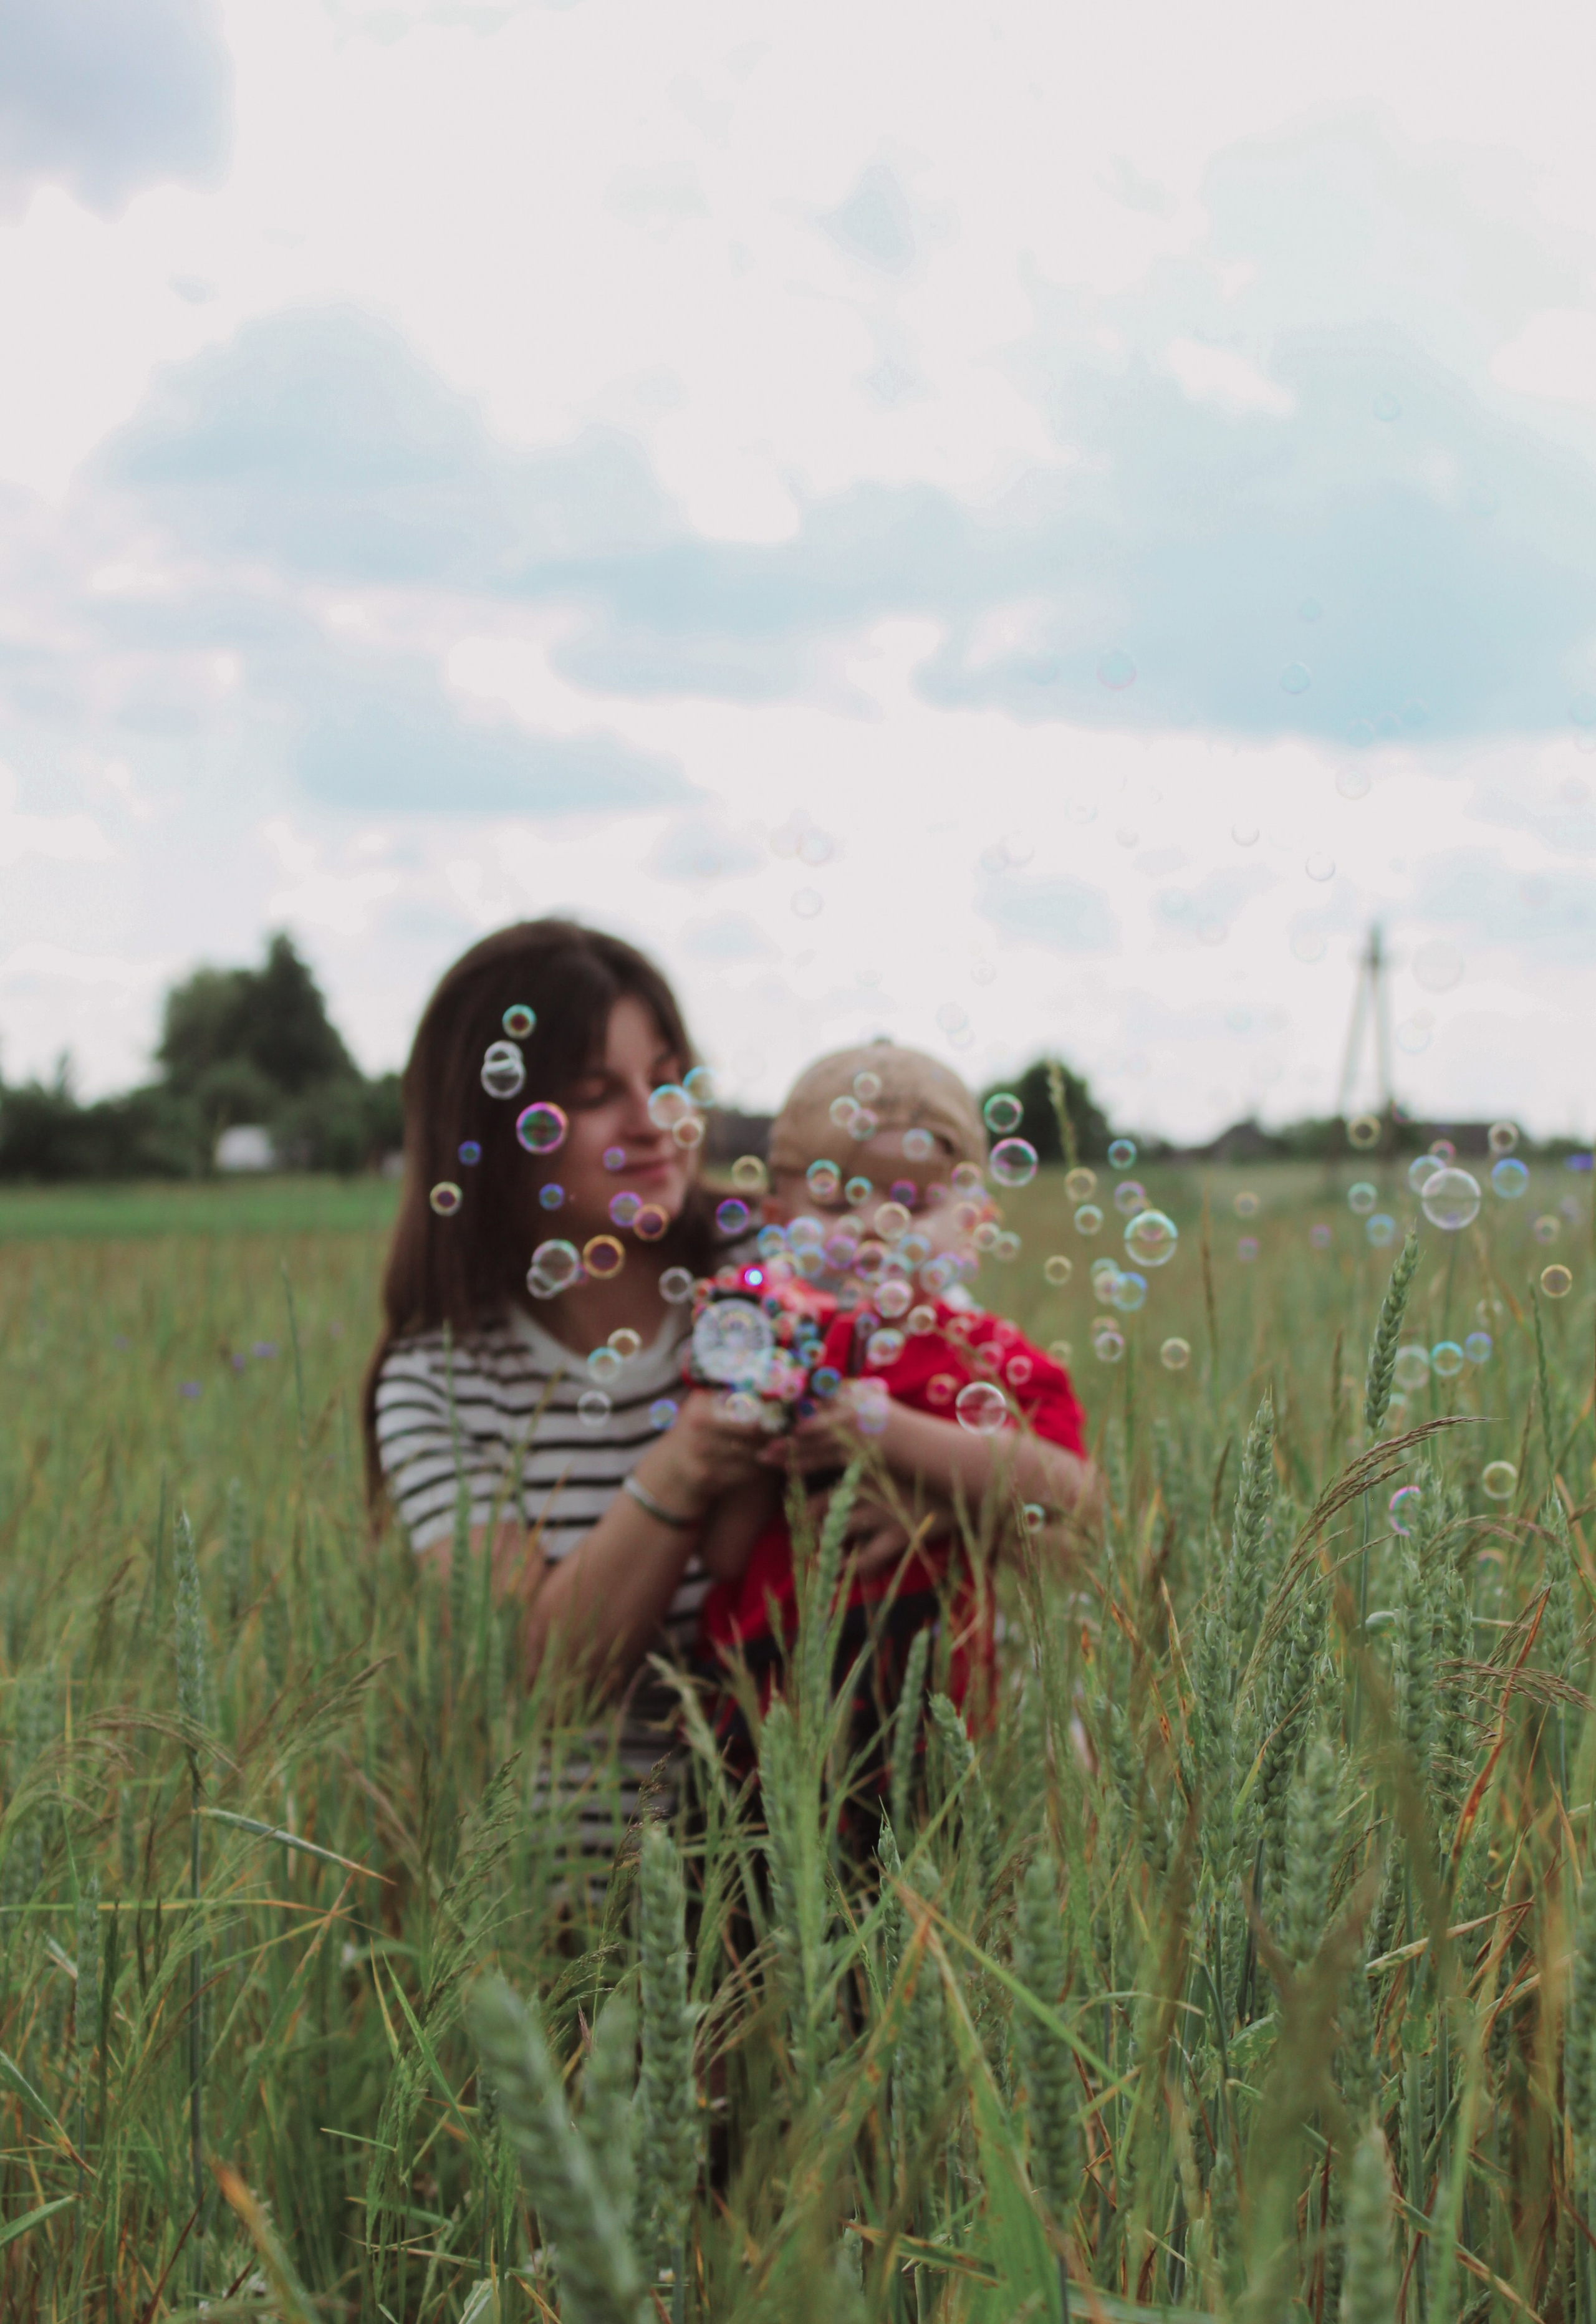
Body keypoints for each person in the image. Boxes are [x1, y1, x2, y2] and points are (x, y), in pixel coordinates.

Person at [362, 919, 767, 1853]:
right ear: (489, 1131)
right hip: (589, 1900)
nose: (654, 1120)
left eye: (667, 1078)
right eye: (593, 1094)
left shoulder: (766, 1270)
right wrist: (683, 1466)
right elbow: (544, 1681)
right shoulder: (440, 1379)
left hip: (816, 1871)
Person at [691, 1042, 1098, 1788]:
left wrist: (883, 1428)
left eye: (911, 1202)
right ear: (778, 1222)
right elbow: (723, 1553)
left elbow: (1070, 1491)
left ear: (973, 1223)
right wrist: (762, 1425)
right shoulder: (769, 1345)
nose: (876, 1224)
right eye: (836, 1202)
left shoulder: (987, 1356)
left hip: (939, 1734)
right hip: (764, 1724)